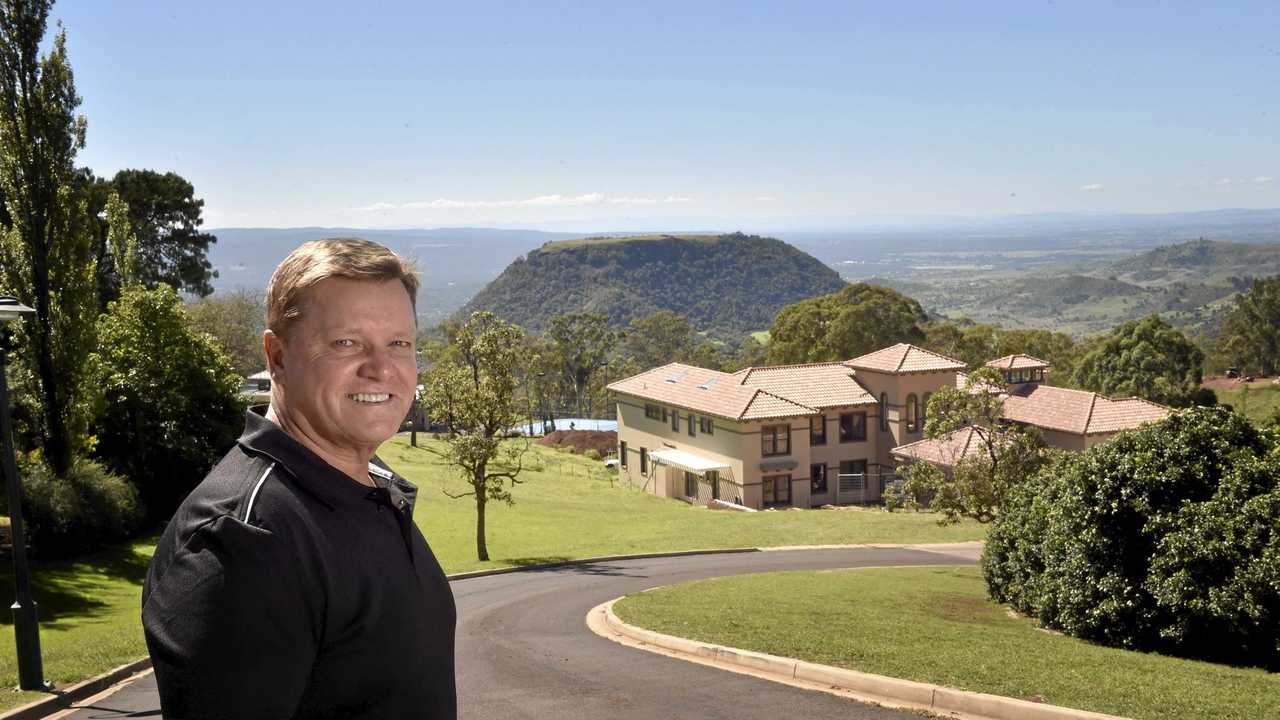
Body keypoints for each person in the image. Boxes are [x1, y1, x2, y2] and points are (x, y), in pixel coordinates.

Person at [142, 238, 456, 719]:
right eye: (345, 343)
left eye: (400, 343)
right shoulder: (247, 539)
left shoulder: (370, 485)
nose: (381, 368)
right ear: (278, 357)